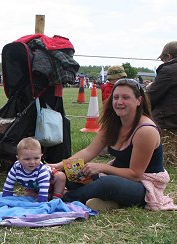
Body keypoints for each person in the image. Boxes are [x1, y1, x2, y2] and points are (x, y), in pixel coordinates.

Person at [51, 78, 165, 210]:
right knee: (72, 170)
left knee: (107, 184)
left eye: (125, 97)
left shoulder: (146, 130)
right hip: (115, 176)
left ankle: (61, 199)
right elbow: (89, 151)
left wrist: (102, 167)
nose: (119, 102)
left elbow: (135, 174)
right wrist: (58, 166)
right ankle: (106, 201)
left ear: (139, 101)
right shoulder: (113, 124)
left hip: (142, 186)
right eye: (116, 97)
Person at [2, 137, 66, 202]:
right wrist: (6, 199)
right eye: (27, 159)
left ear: (41, 156)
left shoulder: (41, 170)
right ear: (18, 158)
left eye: (36, 158)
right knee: (28, 196)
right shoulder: (16, 168)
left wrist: (42, 203)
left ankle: (56, 198)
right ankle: (46, 195)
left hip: (50, 182)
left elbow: (44, 186)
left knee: (60, 176)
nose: (32, 162)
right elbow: (9, 183)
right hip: (35, 186)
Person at [147, 41, 177, 130]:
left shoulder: (169, 70)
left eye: (162, 59)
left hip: (168, 122)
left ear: (168, 56)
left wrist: (149, 88)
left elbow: (151, 97)